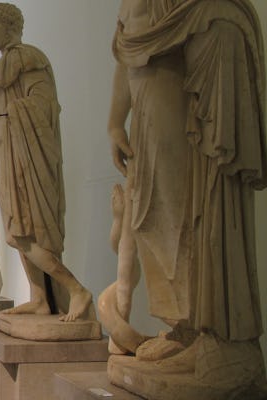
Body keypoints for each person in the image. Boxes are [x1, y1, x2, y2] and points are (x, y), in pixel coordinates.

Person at [102, 0, 266, 393]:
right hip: (143, 114)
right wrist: (114, 121)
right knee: (149, 220)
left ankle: (206, 327)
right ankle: (184, 326)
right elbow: (127, 53)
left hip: (172, 103)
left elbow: (213, 23)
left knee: (182, 217)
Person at [0, 3, 91, 321]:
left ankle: (76, 290)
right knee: (17, 233)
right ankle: (40, 298)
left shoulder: (27, 58)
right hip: (7, 157)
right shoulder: (4, 63)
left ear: (10, 25)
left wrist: (10, 118)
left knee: (27, 232)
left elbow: (42, 106)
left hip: (27, 157)